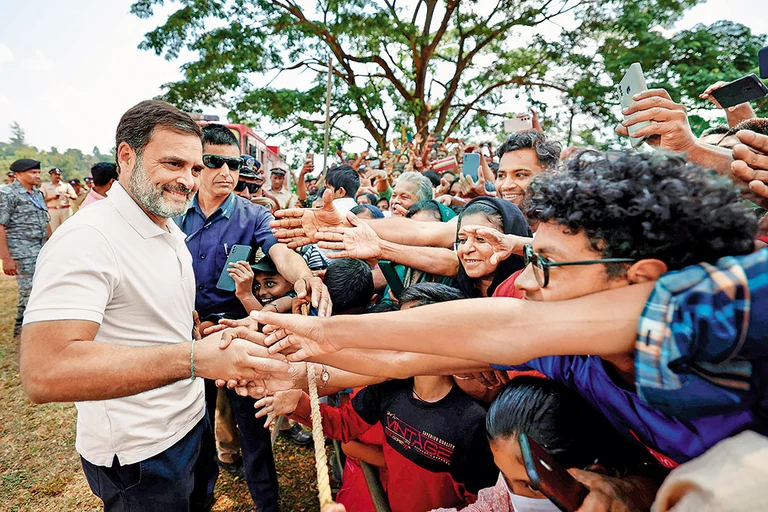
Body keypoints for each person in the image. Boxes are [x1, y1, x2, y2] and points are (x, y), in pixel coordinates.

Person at [250, 150, 760, 507]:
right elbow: (406, 358)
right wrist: (300, 356)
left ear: (639, 280)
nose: (528, 281)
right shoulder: (573, 356)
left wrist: (326, 335)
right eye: (530, 256)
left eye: (548, 264)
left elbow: (508, 325)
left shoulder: (738, 341)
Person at [19, 100, 292, 511]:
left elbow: (155, 315)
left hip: (189, 424)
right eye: (172, 164)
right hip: (140, 452)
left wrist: (198, 331)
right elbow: (45, 371)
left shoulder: (164, 224)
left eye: (194, 168)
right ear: (126, 156)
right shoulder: (87, 238)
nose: (187, 179)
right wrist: (196, 359)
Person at [176, 123, 328, 510]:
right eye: (214, 162)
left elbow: (282, 254)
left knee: (254, 430)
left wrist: (305, 278)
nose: (226, 172)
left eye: (234, 163)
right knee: (194, 430)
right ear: (197, 164)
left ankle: (268, 505)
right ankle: (200, 499)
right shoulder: (174, 210)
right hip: (183, 334)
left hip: (239, 332)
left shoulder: (253, 216)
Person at [260, 283, 499, 512]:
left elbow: (481, 500)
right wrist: (298, 405)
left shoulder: (474, 421)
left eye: (414, 327)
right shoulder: (388, 386)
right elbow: (343, 425)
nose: (401, 336)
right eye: (398, 326)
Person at [432, 377, 662, 512]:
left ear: (594, 474)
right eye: (504, 475)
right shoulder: (503, 497)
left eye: (532, 486)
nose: (512, 496)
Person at [0, 158, 50, 337]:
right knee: (28, 290)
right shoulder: (8, 194)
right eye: (33, 173)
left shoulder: (37, 193)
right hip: (22, 250)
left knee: (42, 287)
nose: (37, 175)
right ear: (18, 174)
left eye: (38, 172)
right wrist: (6, 258)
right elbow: (1, 225)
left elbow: (45, 221)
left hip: (40, 247)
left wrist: (51, 244)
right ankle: (22, 331)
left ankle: (33, 328)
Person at [40, 167, 77, 231]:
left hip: (65, 209)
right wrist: (53, 198)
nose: (57, 176)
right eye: (55, 174)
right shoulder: (45, 186)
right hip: (53, 210)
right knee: (54, 230)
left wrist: (66, 195)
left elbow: (75, 197)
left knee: (67, 230)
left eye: (59, 174)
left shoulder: (66, 185)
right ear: (51, 175)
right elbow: (41, 200)